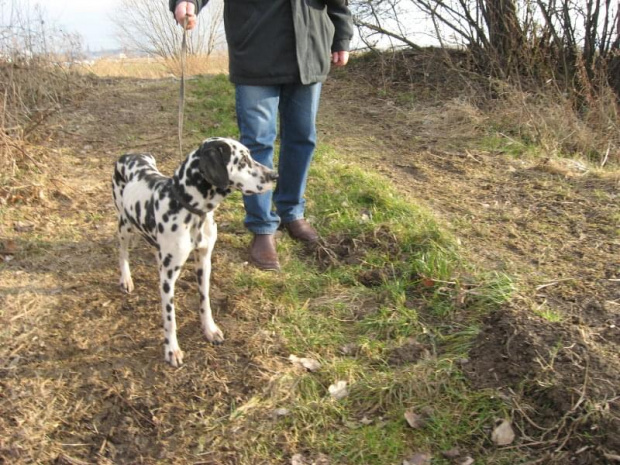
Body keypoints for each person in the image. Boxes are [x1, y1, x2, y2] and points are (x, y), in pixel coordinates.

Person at [170, 0, 353, 271]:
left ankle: (292, 212)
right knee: (257, 141)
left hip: (309, 45)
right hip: (256, 46)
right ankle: (262, 226)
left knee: (302, 137)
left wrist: (341, 35)